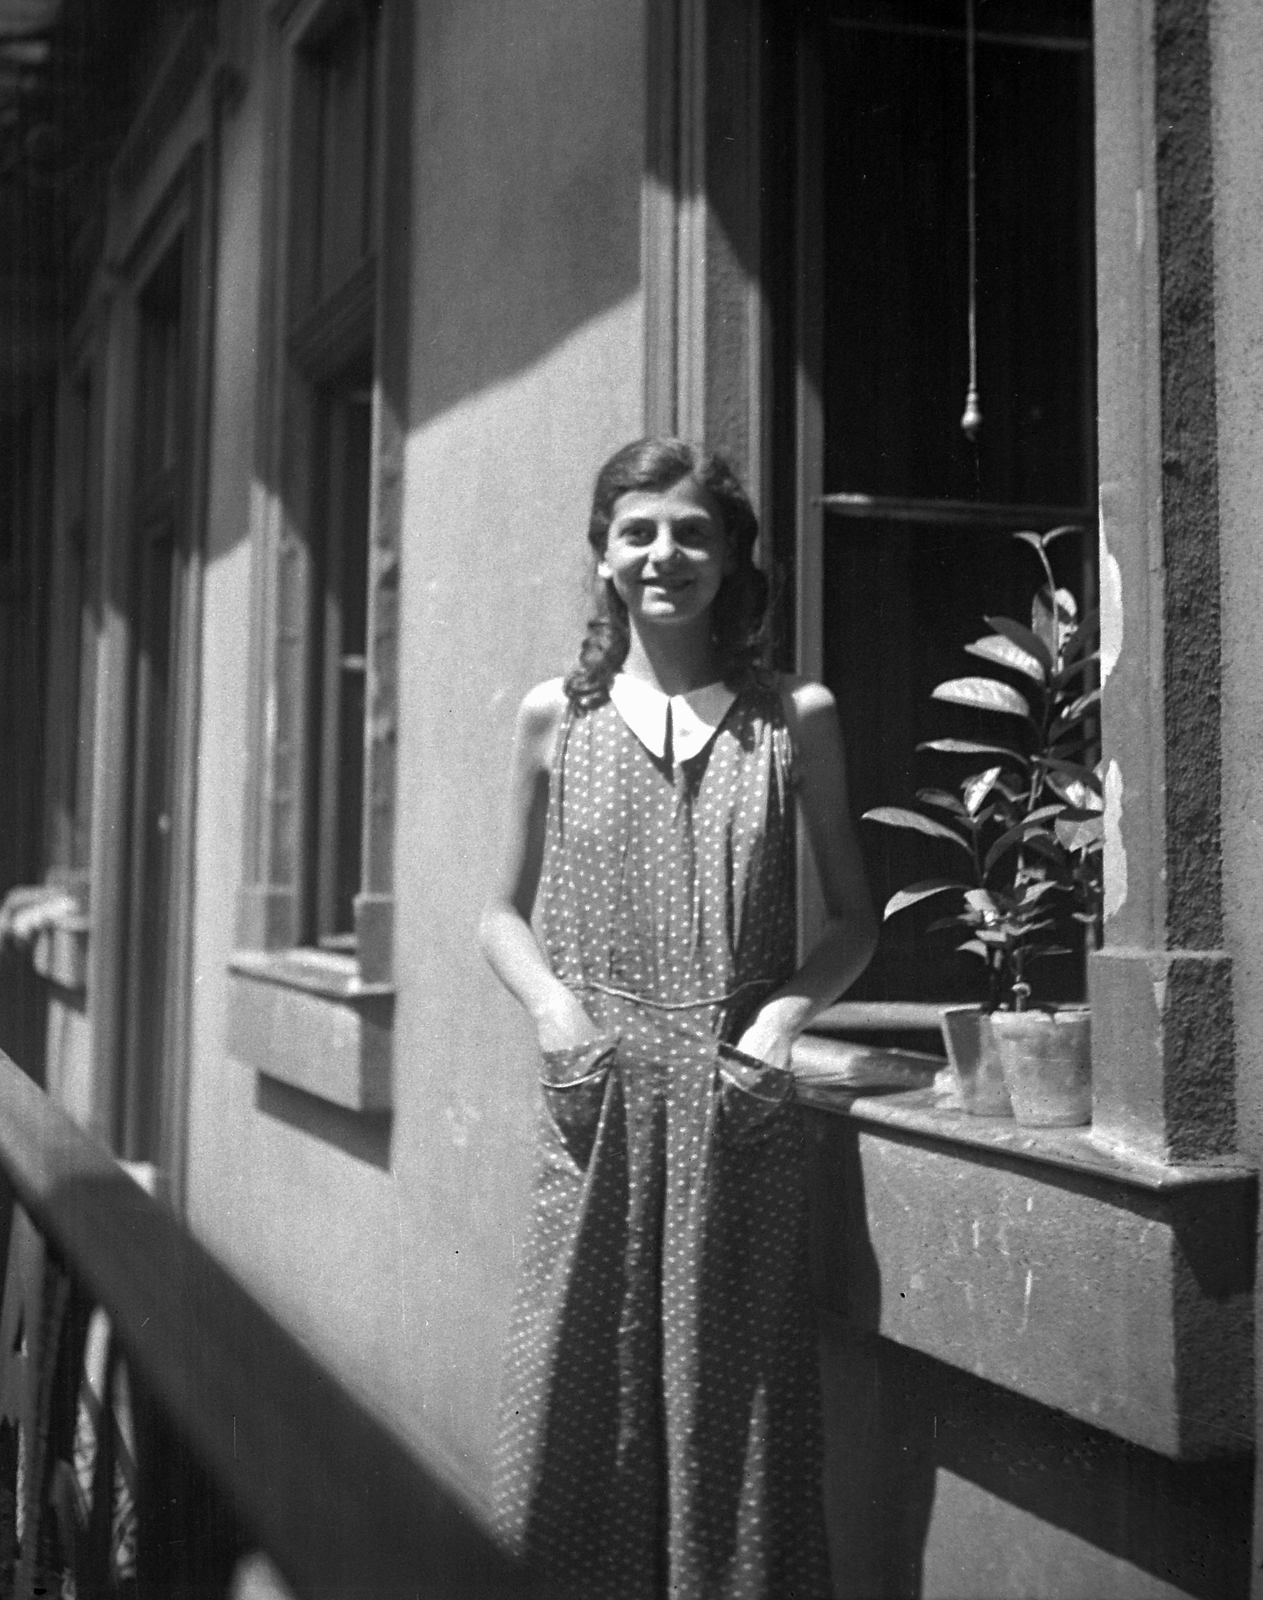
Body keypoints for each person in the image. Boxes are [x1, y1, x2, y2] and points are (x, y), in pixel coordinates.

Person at [479, 436, 877, 1599]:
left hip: (733, 1109)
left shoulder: (793, 716)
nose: (667, 554)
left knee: (731, 1414)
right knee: (575, 1388)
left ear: (734, 557)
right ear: (603, 557)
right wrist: (555, 1007)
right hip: (597, 1106)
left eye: (694, 531)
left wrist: (783, 1019)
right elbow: (498, 915)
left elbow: (855, 920)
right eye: (640, 530)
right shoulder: (559, 715)